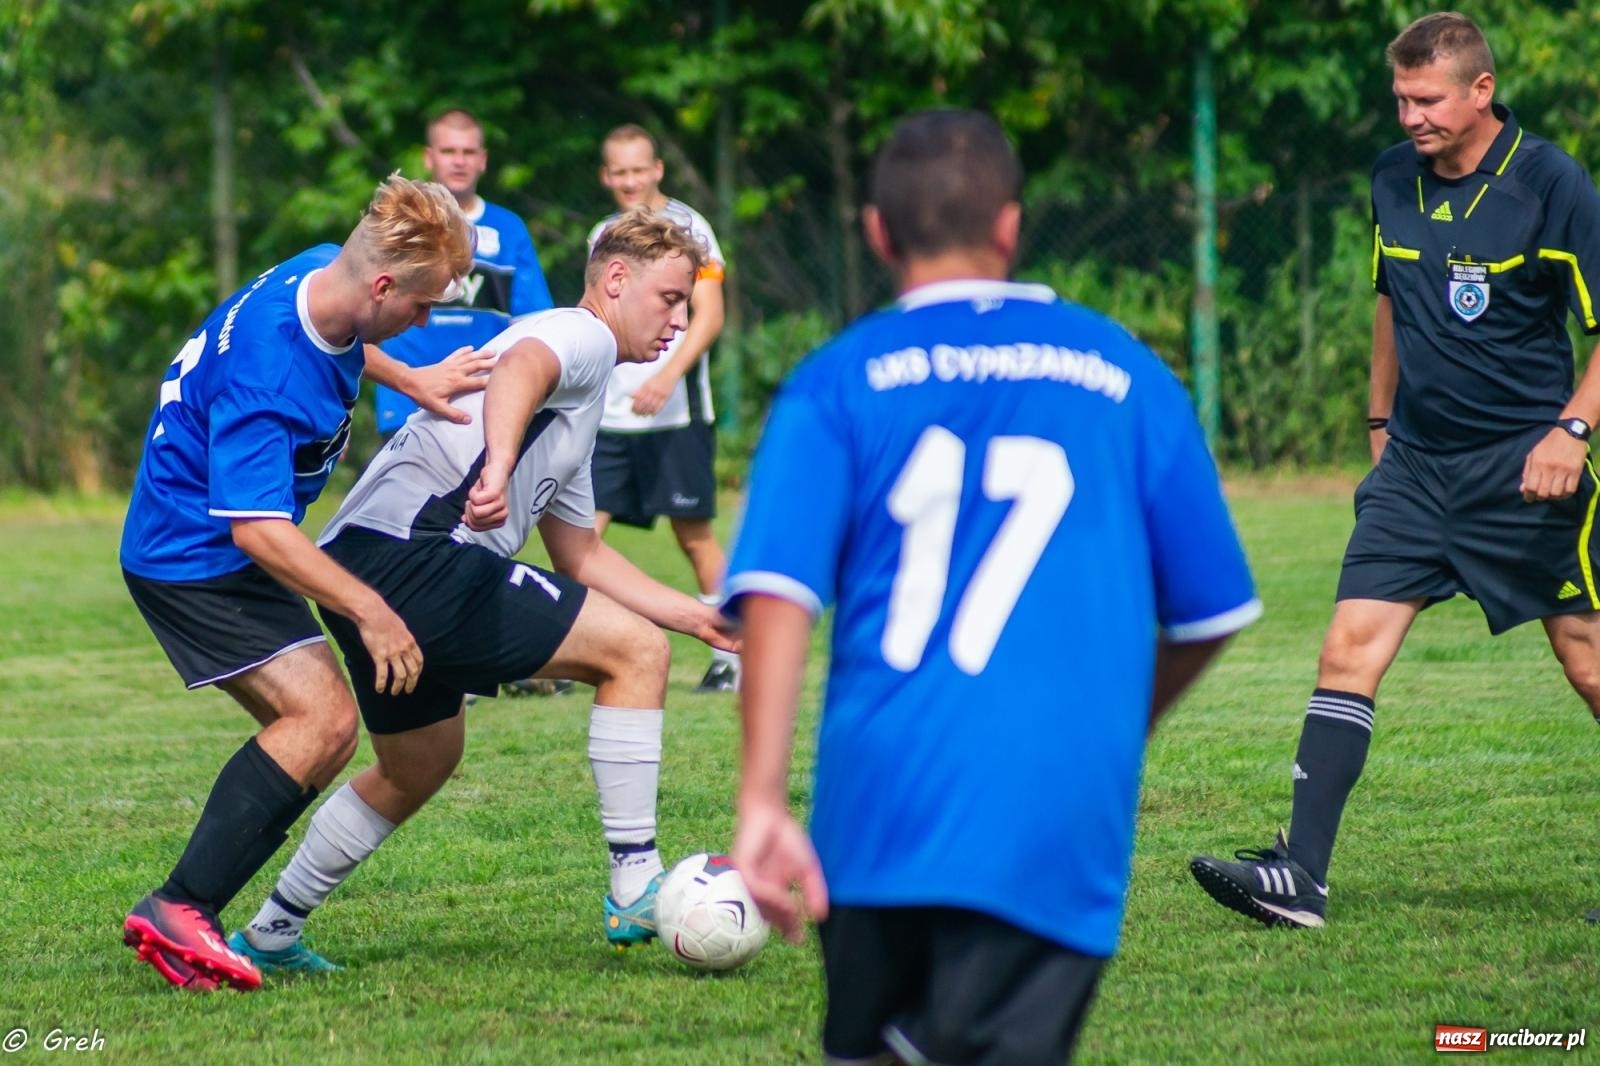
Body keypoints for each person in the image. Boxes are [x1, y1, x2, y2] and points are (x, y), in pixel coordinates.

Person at [726, 110, 1260, 1065]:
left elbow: (776, 591)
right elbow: (1213, 608)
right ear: (1010, 226)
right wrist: (1116, 721)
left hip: (875, 805)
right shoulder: (1127, 374)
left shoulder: (834, 382)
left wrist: (762, 799)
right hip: (1052, 808)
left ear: (877, 232)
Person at [227, 209, 738, 975]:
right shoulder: (580, 335)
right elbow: (525, 365)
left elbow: (583, 554)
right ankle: (635, 883)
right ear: (616, 280)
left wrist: (702, 616)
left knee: (420, 762)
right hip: (418, 560)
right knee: (634, 653)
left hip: (365, 568)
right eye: (669, 297)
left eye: (687, 304)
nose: (679, 317)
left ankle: (270, 930)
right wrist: (498, 466)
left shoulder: (583, 401)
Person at [1190, 12, 1600, 930]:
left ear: (1480, 91)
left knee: (1588, 666)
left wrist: (1570, 430)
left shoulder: (1549, 183)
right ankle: (1300, 878)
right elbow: (1391, 302)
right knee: (1347, 650)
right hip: (1416, 468)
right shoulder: (1390, 178)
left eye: (1428, 99)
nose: (1410, 116)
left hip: (1523, 472)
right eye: (1401, 99)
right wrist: (1379, 425)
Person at [119, 174, 478, 991]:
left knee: (322, 729)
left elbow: (351, 339)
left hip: (215, 549)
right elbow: (259, 529)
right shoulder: (267, 376)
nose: (424, 322)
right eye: (422, 307)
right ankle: (181, 908)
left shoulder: (326, 272)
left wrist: (411, 379)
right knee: (320, 722)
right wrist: (370, 607)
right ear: (384, 284)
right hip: (198, 561)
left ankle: (201, 916)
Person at [587, 123, 740, 693]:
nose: (629, 180)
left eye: (638, 169)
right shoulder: (603, 234)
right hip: (610, 416)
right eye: (618, 171)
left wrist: (667, 377)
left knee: (694, 534)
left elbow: (711, 315)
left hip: (675, 416)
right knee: (582, 534)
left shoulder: (690, 226)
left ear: (657, 170)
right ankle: (577, 652)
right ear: (607, 176)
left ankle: (734, 652)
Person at [372, 108, 554, 438]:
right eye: (449, 151)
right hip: (405, 400)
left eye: (468, 152)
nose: (459, 161)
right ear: (429, 157)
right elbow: (361, 315)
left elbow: (534, 326)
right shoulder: (400, 222)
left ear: (483, 160)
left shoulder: (508, 230)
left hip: (486, 405)